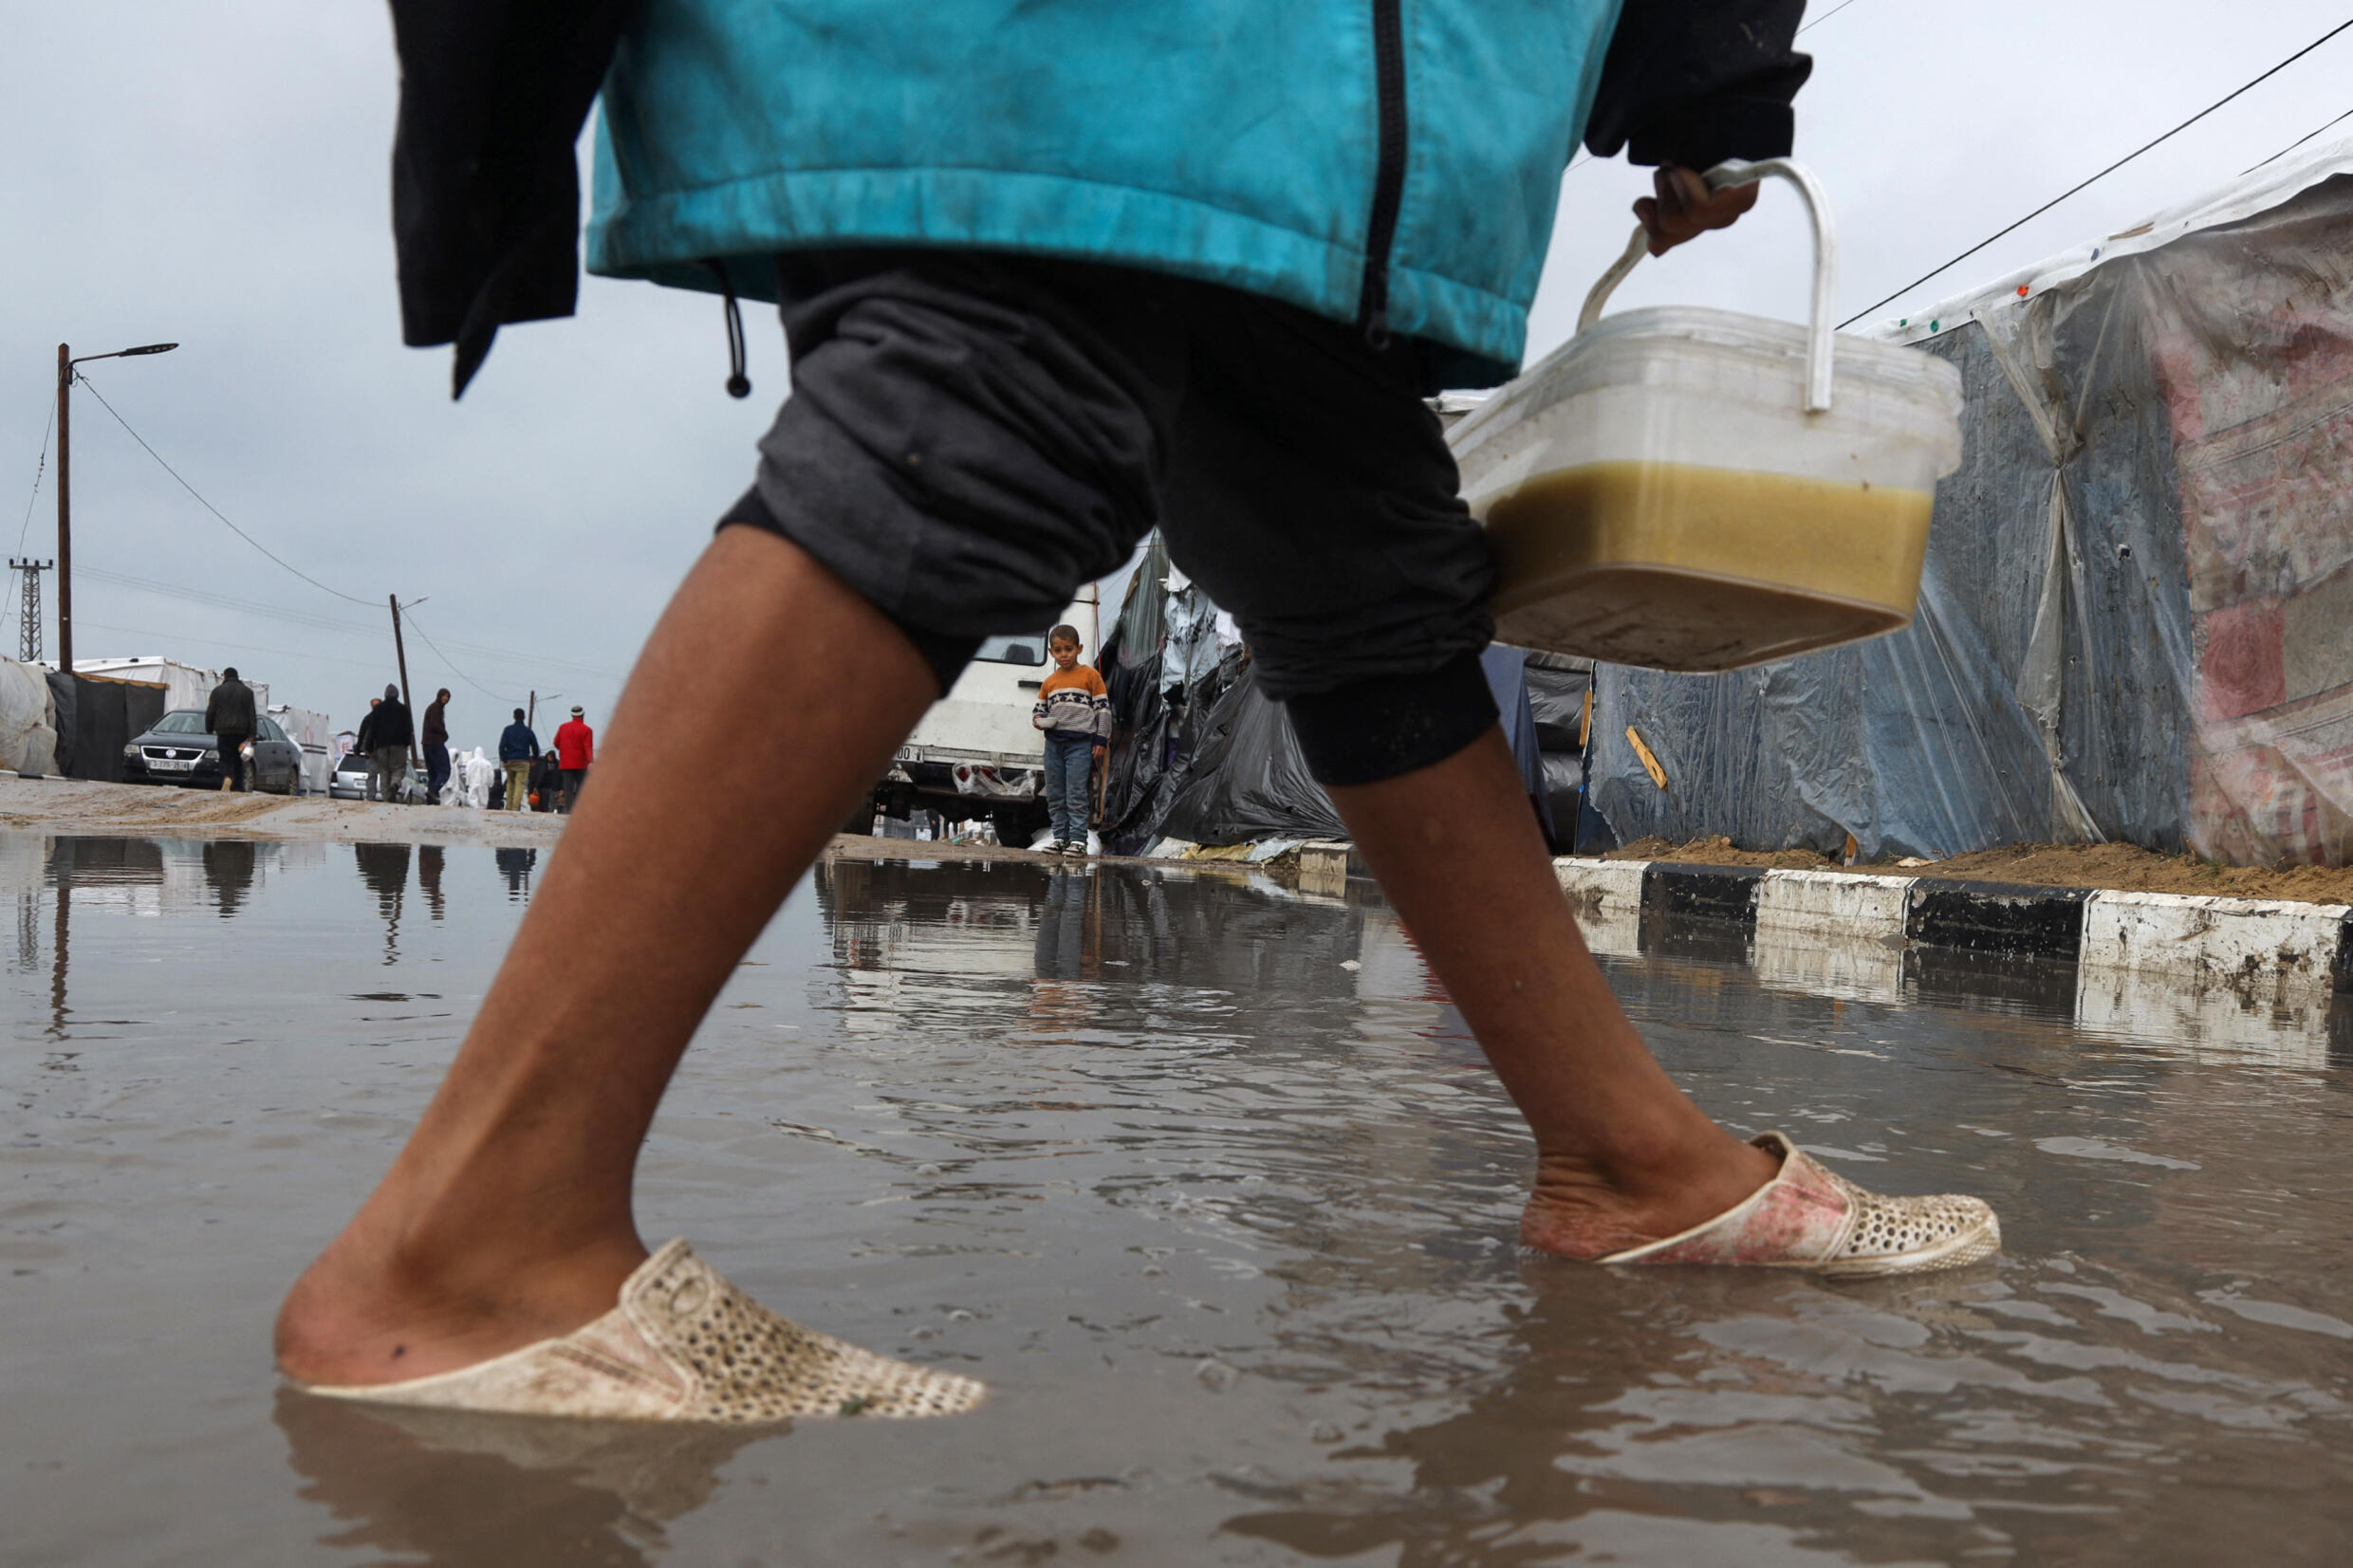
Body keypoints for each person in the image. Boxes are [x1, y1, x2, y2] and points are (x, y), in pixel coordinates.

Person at [280, 0, 1996, 1423]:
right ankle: (477, 1238)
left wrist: (1701, 67)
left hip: (1352, 82)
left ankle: (1629, 1156)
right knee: (1003, 374)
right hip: (1155, 46)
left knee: (1372, 571)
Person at [1031, 624, 1107, 856]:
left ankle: (1078, 841)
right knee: (1055, 793)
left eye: (1068, 649)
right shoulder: (1050, 682)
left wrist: (1100, 740)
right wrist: (1038, 719)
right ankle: (1060, 838)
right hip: (1054, 743)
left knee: (1076, 792)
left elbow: (1103, 710)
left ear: (1079, 649)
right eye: (1058, 650)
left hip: (1080, 744)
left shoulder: (1090, 676)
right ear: (1051, 652)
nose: (1063, 655)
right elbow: (1039, 709)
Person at [205, 666, 257, 794]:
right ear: (237, 676)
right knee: (239, 759)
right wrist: (252, 734)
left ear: (225, 676)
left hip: (223, 732)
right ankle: (238, 786)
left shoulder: (217, 691)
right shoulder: (247, 692)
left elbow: (210, 713)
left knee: (225, 757)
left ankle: (227, 777)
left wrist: (209, 728)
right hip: (241, 733)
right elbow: (252, 715)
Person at [361, 684, 414, 804]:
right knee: (399, 769)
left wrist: (368, 746)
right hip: (399, 745)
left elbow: (372, 729)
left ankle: (386, 798)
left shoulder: (379, 709)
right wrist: (406, 743)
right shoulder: (403, 709)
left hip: (382, 746)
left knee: (383, 770)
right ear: (397, 694)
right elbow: (408, 728)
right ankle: (394, 784)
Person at [498, 709, 540, 813]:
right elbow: (535, 746)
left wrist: (504, 759)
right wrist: (534, 758)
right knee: (519, 783)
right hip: (523, 760)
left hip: (510, 760)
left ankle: (509, 806)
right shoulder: (528, 731)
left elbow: (502, 746)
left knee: (510, 783)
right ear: (524, 717)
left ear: (514, 716)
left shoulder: (508, 730)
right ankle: (515, 808)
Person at [553, 705, 594, 814]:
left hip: (566, 763)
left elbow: (556, 742)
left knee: (568, 788)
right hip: (581, 763)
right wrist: (590, 761)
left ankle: (570, 810)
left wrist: (564, 751)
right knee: (581, 788)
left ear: (572, 715)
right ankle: (580, 810)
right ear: (583, 715)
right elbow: (588, 747)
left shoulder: (563, 727)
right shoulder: (587, 730)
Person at [422, 689, 454, 804]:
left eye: (448, 697)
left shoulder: (434, 707)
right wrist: (444, 734)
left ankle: (431, 797)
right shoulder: (436, 708)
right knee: (445, 771)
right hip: (435, 743)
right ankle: (433, 791)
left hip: (427, 743)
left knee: (433, 773)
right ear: (439, 696)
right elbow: (435, 725)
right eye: (444, 696)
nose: (446, 699)